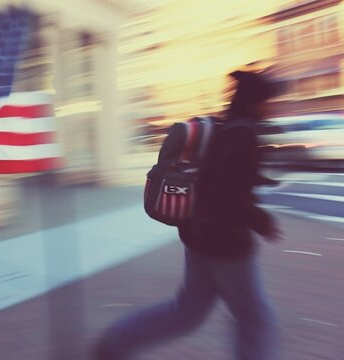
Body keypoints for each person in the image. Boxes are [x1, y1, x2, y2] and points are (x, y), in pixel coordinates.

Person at [95, 70, 282, 360]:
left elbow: (220, 179)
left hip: (199, 236)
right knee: (256, 320)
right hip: (226, 243)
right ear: (258, 102)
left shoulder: (227, 128)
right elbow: (226, 191)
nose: (274, 107)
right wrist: (262, 221)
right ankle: (115, 342)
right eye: (270, 101)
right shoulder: (244, 134)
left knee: (188, 312)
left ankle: (116, 341)